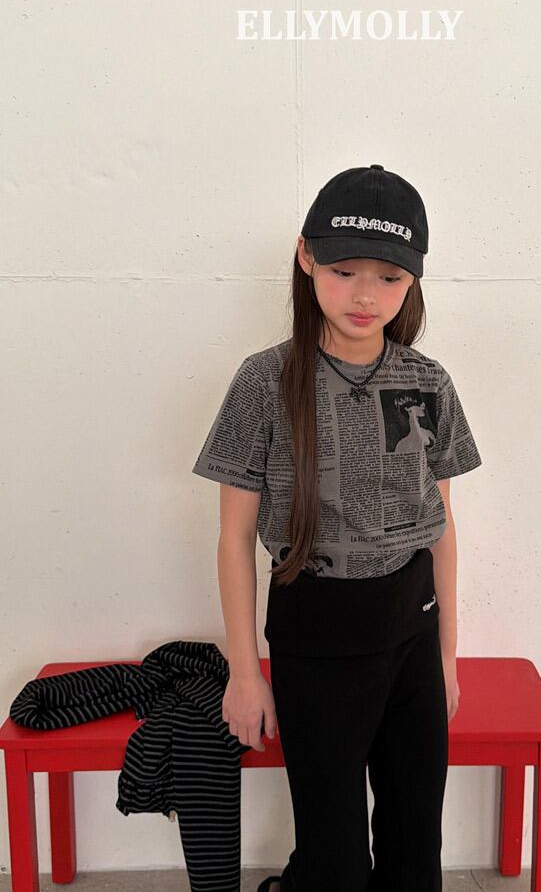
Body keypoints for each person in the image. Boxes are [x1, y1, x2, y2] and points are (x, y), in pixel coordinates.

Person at [192, 164, 483, 892]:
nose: (364, 295)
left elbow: (441, 525)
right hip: (315, 635)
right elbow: (233, 538)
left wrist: (446, 656)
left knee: (415, 845)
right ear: (306, 257)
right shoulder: (266, 380)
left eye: (389, 277)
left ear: (413, 280)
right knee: (336, 858)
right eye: (344, 270)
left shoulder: (428, 381)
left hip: (411, 632)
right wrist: (244, 673)